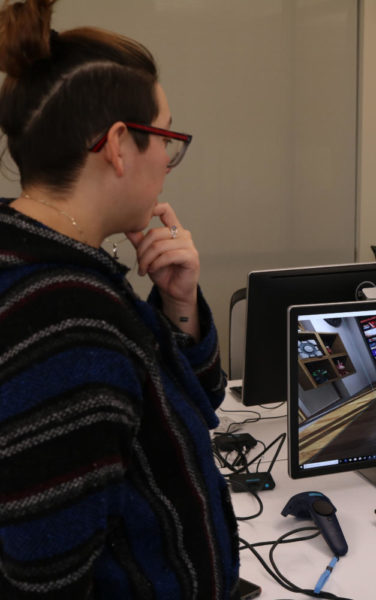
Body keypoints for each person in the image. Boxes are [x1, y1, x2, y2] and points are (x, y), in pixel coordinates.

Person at [0, 0, 239, 598]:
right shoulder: (66, 322)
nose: (167, 159)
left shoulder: (54, 265)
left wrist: (177, 303)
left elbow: (195, 402)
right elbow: (47, 579)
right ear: (117, 145)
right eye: (165, 136)